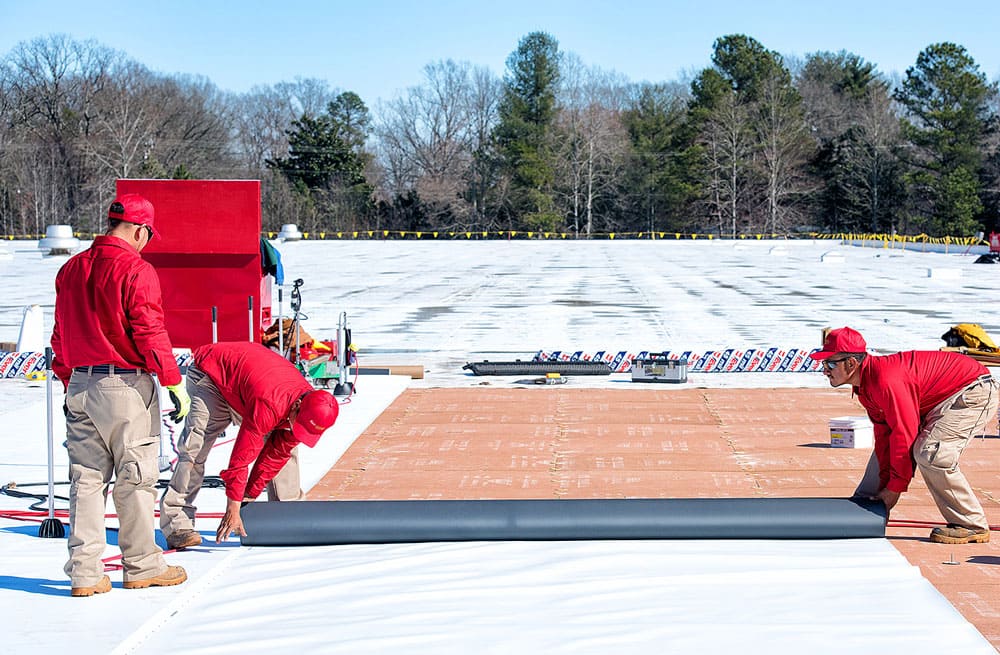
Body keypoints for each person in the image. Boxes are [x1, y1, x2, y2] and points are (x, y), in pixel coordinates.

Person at [50, 193, 191, 597]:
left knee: (86, 480)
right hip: (125, 384)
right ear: (140, 229)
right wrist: (172, 381)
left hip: (80, 382)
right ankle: (142, 565)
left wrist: (71, 379)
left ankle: (85, 573)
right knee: (135, 478)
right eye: (148, 233)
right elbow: (149, 330)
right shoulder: (136, 270)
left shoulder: (71, 269)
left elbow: (60, 334)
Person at [812, 327, 998, 544]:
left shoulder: (886, 381)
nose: (825, 370)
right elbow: (885, 440)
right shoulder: (865, 389)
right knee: (889, 450)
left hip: (972, 391)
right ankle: (863, 509)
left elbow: (905, 435)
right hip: (940, 396)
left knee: (931, 454)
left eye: (830, 364)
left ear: (851, 363)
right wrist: (881, 493)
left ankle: (971, 524)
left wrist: (893, 490)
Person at [159, 341, 339, 548]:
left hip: (248, 386)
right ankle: (177, 523)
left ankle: (288, 516)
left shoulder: (310, 408)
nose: (299, 431)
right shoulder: (270, 403)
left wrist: (246, 499)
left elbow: (275, 455)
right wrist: (233, 507)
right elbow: (241, 459)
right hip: (212, 376)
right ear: (297, 407)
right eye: (300, 425)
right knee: (195, 447)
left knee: (286, 451)